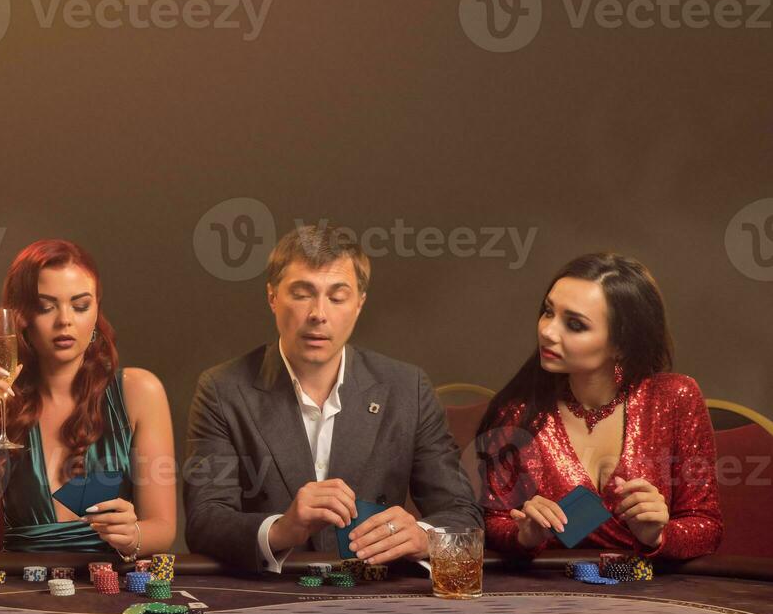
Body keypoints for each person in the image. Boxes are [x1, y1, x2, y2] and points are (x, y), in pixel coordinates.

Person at [184, 223, 479, 571]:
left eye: (337, 297)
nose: (318, 314)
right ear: (272, 297)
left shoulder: (407, 387)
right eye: (302, 293)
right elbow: (204, 520)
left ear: (359, 304)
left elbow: (463, 513)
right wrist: (281, 529)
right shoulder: (222, 388)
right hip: (270, 596)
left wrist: (423, 536)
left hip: (376, 596)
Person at [477, 253, 722, 559]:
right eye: (548, 312)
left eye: (575, 324)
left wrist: (658, 534)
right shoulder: (517, 411)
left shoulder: (674, 397)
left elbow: (707, 527)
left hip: (650, 592)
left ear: (621, 344)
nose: (548, 332)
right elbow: (492, 524)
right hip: (550, 592)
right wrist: (524, 534)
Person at [0, 239, 176, 556]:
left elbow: (162, 529)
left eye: (80, 306)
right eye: (45, 307)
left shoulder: (139, 391)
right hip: (19, 594)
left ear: (96, 313)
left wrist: (132, 534)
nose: (65, 320)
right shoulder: (0, 400)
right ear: (21, 317)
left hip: (107, 593)